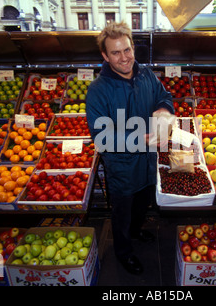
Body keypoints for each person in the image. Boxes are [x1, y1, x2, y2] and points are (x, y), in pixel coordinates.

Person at [86, 21, 174, 275]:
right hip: (122, 165)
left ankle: (137, 230)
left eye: (127, 50)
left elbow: (163, 96)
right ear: (105, 56)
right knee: (122, 212)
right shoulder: (98, 91)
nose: (124, 58)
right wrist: (143, 139)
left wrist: (163, 110)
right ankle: (123, 252)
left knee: (143, 203)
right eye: (115, 52)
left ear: (133, 47)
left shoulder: (146, 74)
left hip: (148, 162)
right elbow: (102, 137)